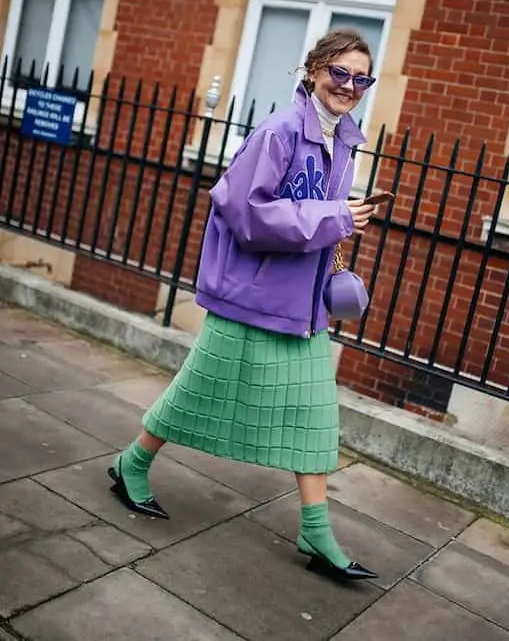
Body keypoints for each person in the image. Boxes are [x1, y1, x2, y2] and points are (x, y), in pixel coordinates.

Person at [108, 29, 379, 581]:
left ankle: (316, 530)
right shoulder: (278, 133)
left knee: (314, 418)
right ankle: (131, 463)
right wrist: (339, 218)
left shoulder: (344, 141)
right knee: (193, 395)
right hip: (250, 299)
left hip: (301, 309)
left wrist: (341, 222)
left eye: (361, 78)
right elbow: (246, 215)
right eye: (340, 73)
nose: (349, 86)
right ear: (312, 72)